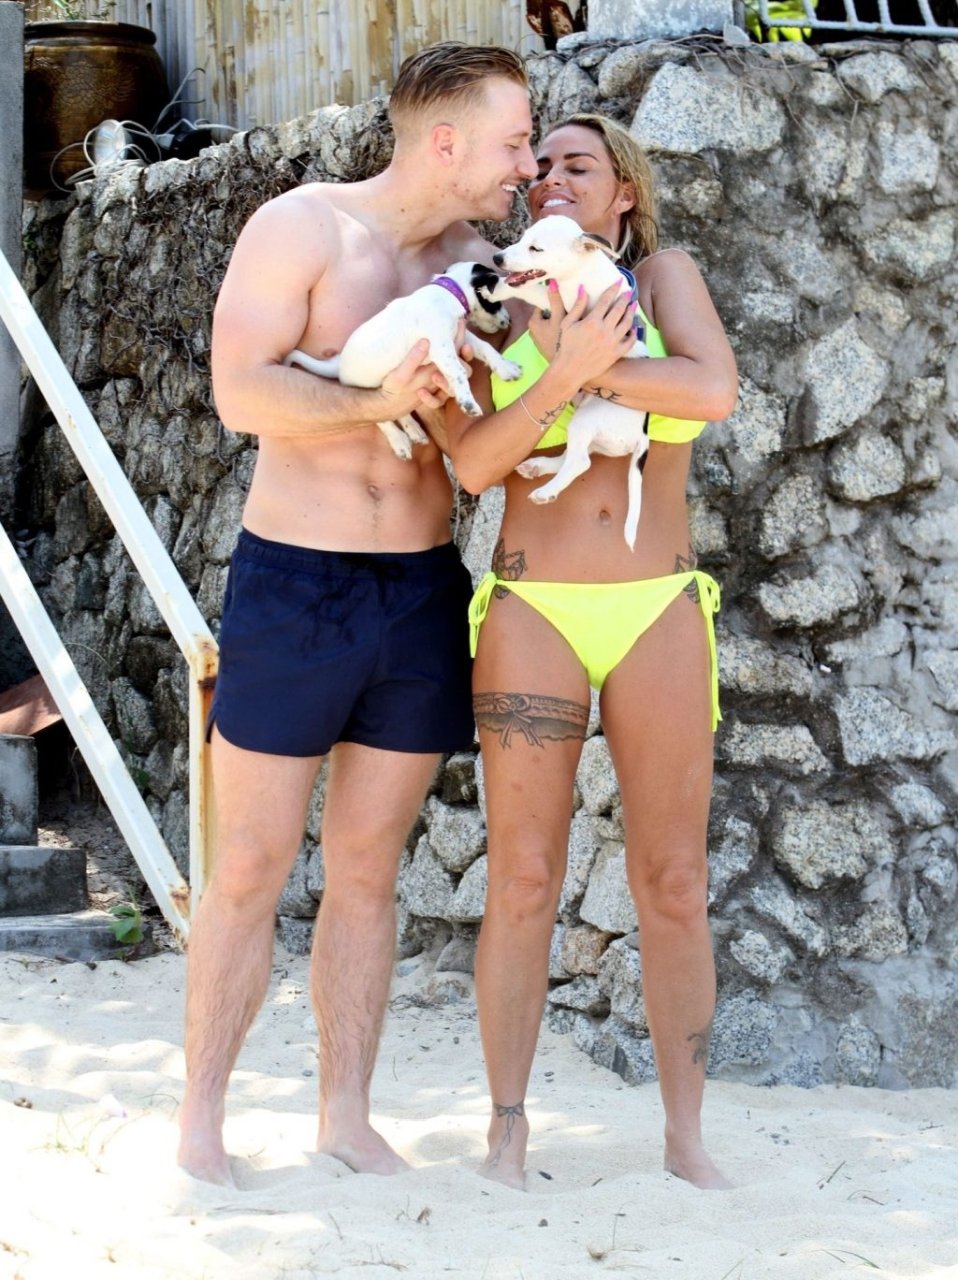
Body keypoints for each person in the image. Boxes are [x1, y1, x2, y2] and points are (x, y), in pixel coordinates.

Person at [176, 42, 537, 1186]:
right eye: (514, 141)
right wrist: (371, 396)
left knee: (368, 867)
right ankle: (200, 1123)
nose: (525, 165)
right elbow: (241, 390)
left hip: (419, 587)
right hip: (296, 580)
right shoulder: (304, 229)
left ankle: (344, 1114)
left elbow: (485, 434)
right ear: (446, 140)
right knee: (249, 864)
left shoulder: (480, 266)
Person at [441, 114, 738, 1190]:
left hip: (659, 605)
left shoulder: (661, 279)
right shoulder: (495, 297)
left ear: (625, 192)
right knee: (523, 877)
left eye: (580, 165)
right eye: (543, 167)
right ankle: (506, 1129)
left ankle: (685, 1136)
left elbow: (709, 390)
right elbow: (476, 461)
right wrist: (568, 368)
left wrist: (589, 372)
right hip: (534, 607)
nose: (552, 180)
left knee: (675, 881)